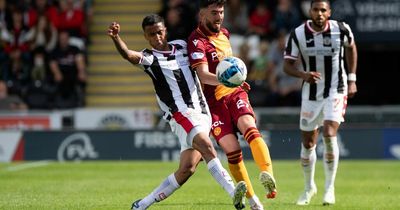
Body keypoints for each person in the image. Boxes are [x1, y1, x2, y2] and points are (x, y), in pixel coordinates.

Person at [108, 14, 247, 210]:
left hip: (202, 112)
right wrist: (116, 39)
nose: (157, 37)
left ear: (165, 30)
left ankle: (142, 204)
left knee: (186, 169)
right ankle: (234, 194)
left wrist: (230, 79)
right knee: (208, 147)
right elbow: (128, 55)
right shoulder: (149, 58)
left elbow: (203, 61)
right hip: (181, 115)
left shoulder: (182, 46)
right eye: (151, 34)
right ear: (146, 37)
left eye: (159, 32)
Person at [187, 1, 277, 209]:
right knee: (231, 149)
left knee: (250, 127)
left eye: (221, 12)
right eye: (214, 13)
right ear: (202, 14)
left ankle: (268, 177)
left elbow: (228, 65)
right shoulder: (196, 41)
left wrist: (235, 80)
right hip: (213, 103)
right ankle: (254, 201)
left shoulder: (225, 34)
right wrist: (228, 79)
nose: (219, 16)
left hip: (234, 93)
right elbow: (202, 75)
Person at [283, 0, 358, 206]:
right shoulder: (298, 34)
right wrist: (302, 74)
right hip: (311, 94)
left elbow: (351, 48)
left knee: (328, 132)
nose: (319, 13)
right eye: (316, 9)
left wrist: (352, 78)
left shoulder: (341, 29)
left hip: (336, 89)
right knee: (308, 144)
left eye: (323, 10)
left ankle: (329, 189)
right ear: (310, 12)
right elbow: (287, 65)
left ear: (329, 12)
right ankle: (309, 188)